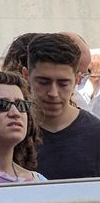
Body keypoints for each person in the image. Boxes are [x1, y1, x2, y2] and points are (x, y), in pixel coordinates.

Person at [27, 33, 100, 179]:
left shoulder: (96, 134)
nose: (53, 93)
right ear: (26, 76)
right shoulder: (10, 133)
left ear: (77, 80)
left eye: (63, 83)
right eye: (43, 82)